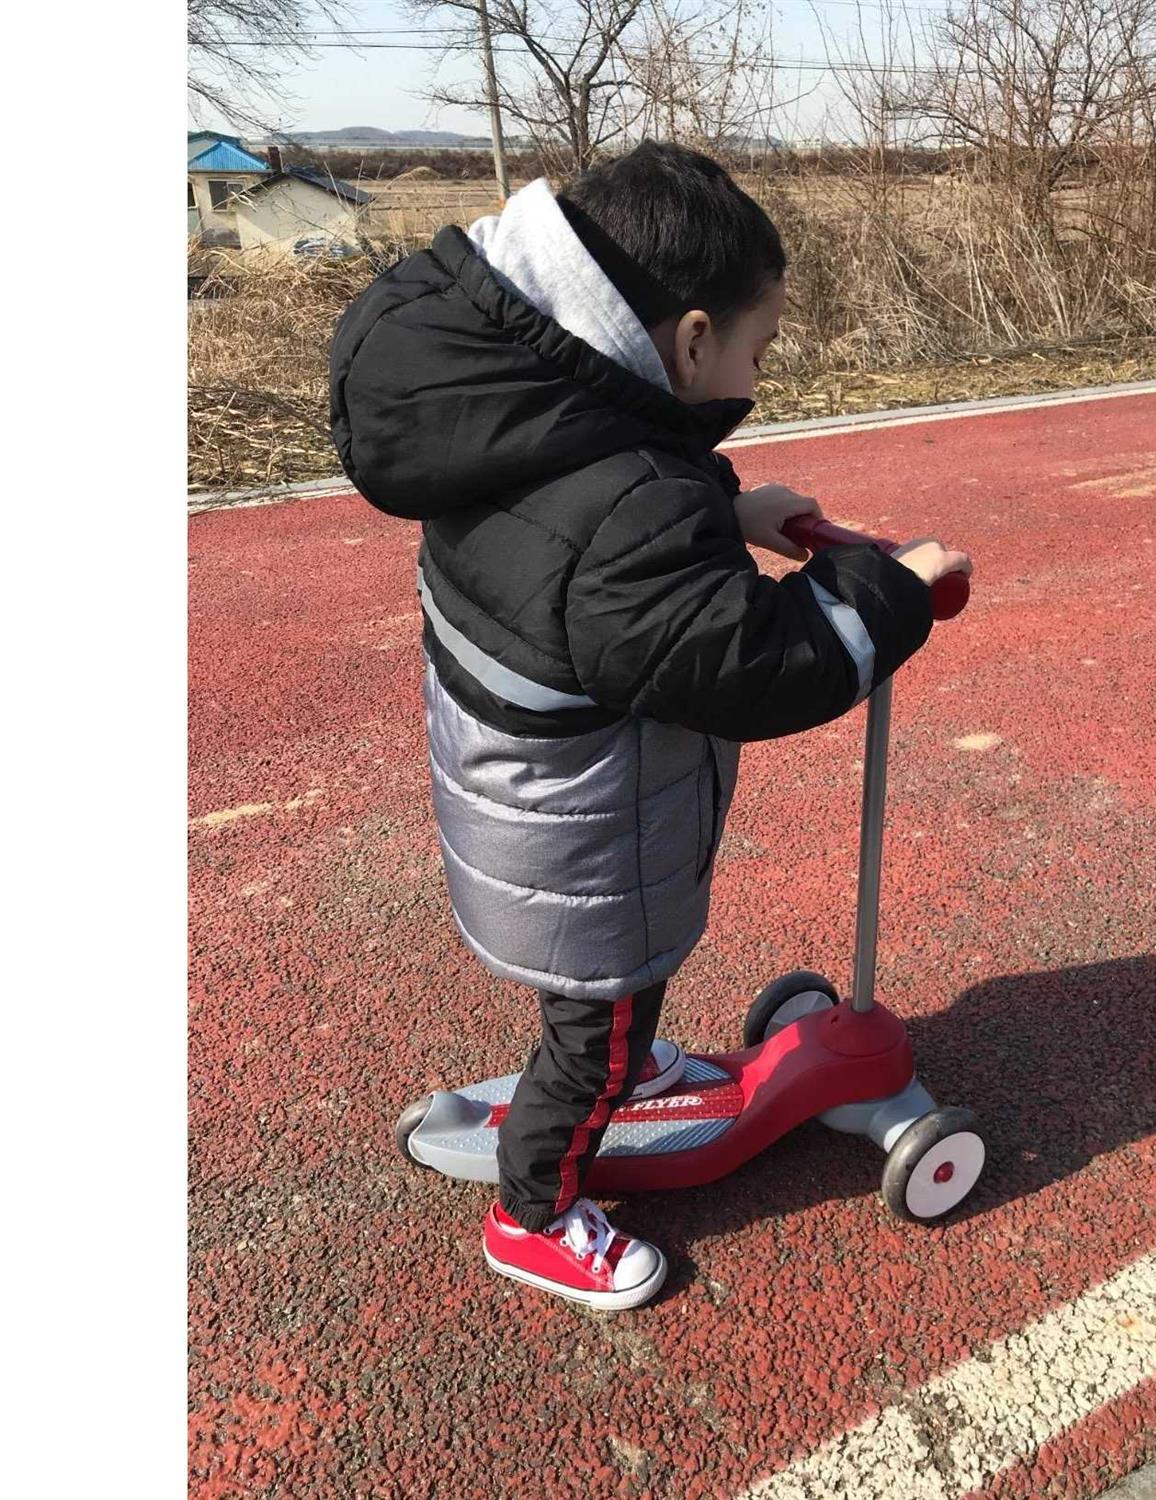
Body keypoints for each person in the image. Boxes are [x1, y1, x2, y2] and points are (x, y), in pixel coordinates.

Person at [329, 141, 971, 1311]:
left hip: (530, 793)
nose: (756, 379)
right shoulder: (627, 506)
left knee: (604, 1013)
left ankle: (622, 1068)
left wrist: (725, 506)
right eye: (753, 352)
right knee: (601, 1031)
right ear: (684, 343)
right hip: (585, 834)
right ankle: (534, 1212)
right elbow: (750, 665)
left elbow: (576, 538)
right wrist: (893, 590)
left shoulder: (511, 405)